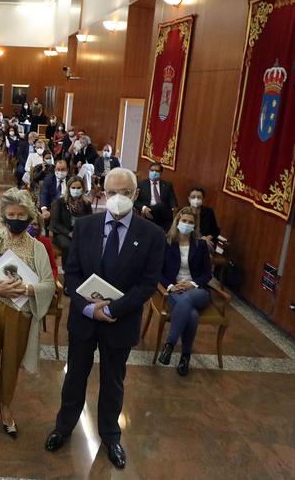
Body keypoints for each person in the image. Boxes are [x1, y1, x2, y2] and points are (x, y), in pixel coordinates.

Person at [45, 167, 165, 469]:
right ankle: (64, 426)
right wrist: (88, 307)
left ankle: (111, 435)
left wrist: (113, 309)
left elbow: (148, 284)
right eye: (112, 192)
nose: (118, 198)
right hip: (84, 319)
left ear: (135, 195)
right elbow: (71, 272)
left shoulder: (152, 234)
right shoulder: (85, 226)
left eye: (125, 193)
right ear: (101, 193)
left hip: (120, 322)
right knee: (75, 376)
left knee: (113, 380)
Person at [0, 188, 56, 442]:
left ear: (29, 217)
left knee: (11, 361)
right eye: (11, 214)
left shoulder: (38, 248)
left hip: (22, 311)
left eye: (21, 214)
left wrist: (27, 288)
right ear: (4, 216)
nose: (16, 218)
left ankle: (5, 406)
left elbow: (48, 283)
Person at [158, 207, 212, 376]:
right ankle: (185, 357)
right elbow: (157, 271)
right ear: (177, 221)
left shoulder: (200, 245)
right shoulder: (167, 242)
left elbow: (207, 274)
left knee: (187, 300)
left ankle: (169, 345)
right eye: (184, 221)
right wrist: (170, 287)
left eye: (190, 222)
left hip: (197, 291)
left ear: (195, 226)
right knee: (192, 315)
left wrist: (192, 283)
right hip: (174, 290)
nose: (187, 224)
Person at [50, 176, 93, 255]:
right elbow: (55, 224)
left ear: (83, 189)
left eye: (78, 188)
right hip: (63, 233)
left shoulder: (87, 204)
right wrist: (69, 233)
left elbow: (90, 223)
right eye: (73, 188)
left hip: (80, 233)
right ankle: (68, 267)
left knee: (89, 245)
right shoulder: (60, 203)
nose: (76, 190)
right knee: (69, 246)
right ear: (68, 188)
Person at [135, 161, 178, 232]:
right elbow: (135, 201)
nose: (154, 172)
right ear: (149, 171)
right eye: (152, 170)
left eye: (157, 171)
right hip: (148, 210)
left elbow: (172, 199)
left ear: (160, 173)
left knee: (161, 207)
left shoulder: (167, 185)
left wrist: (174, 208)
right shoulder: (141, 184)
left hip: (163, 211)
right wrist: (143, 207)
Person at [28, 216, 59, 281]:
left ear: (39, 227)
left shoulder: (45, 242)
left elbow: (53, 268)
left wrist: (49, 281)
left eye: (34, 224)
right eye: (27, 223)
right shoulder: (13, 243)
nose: (30, 227)